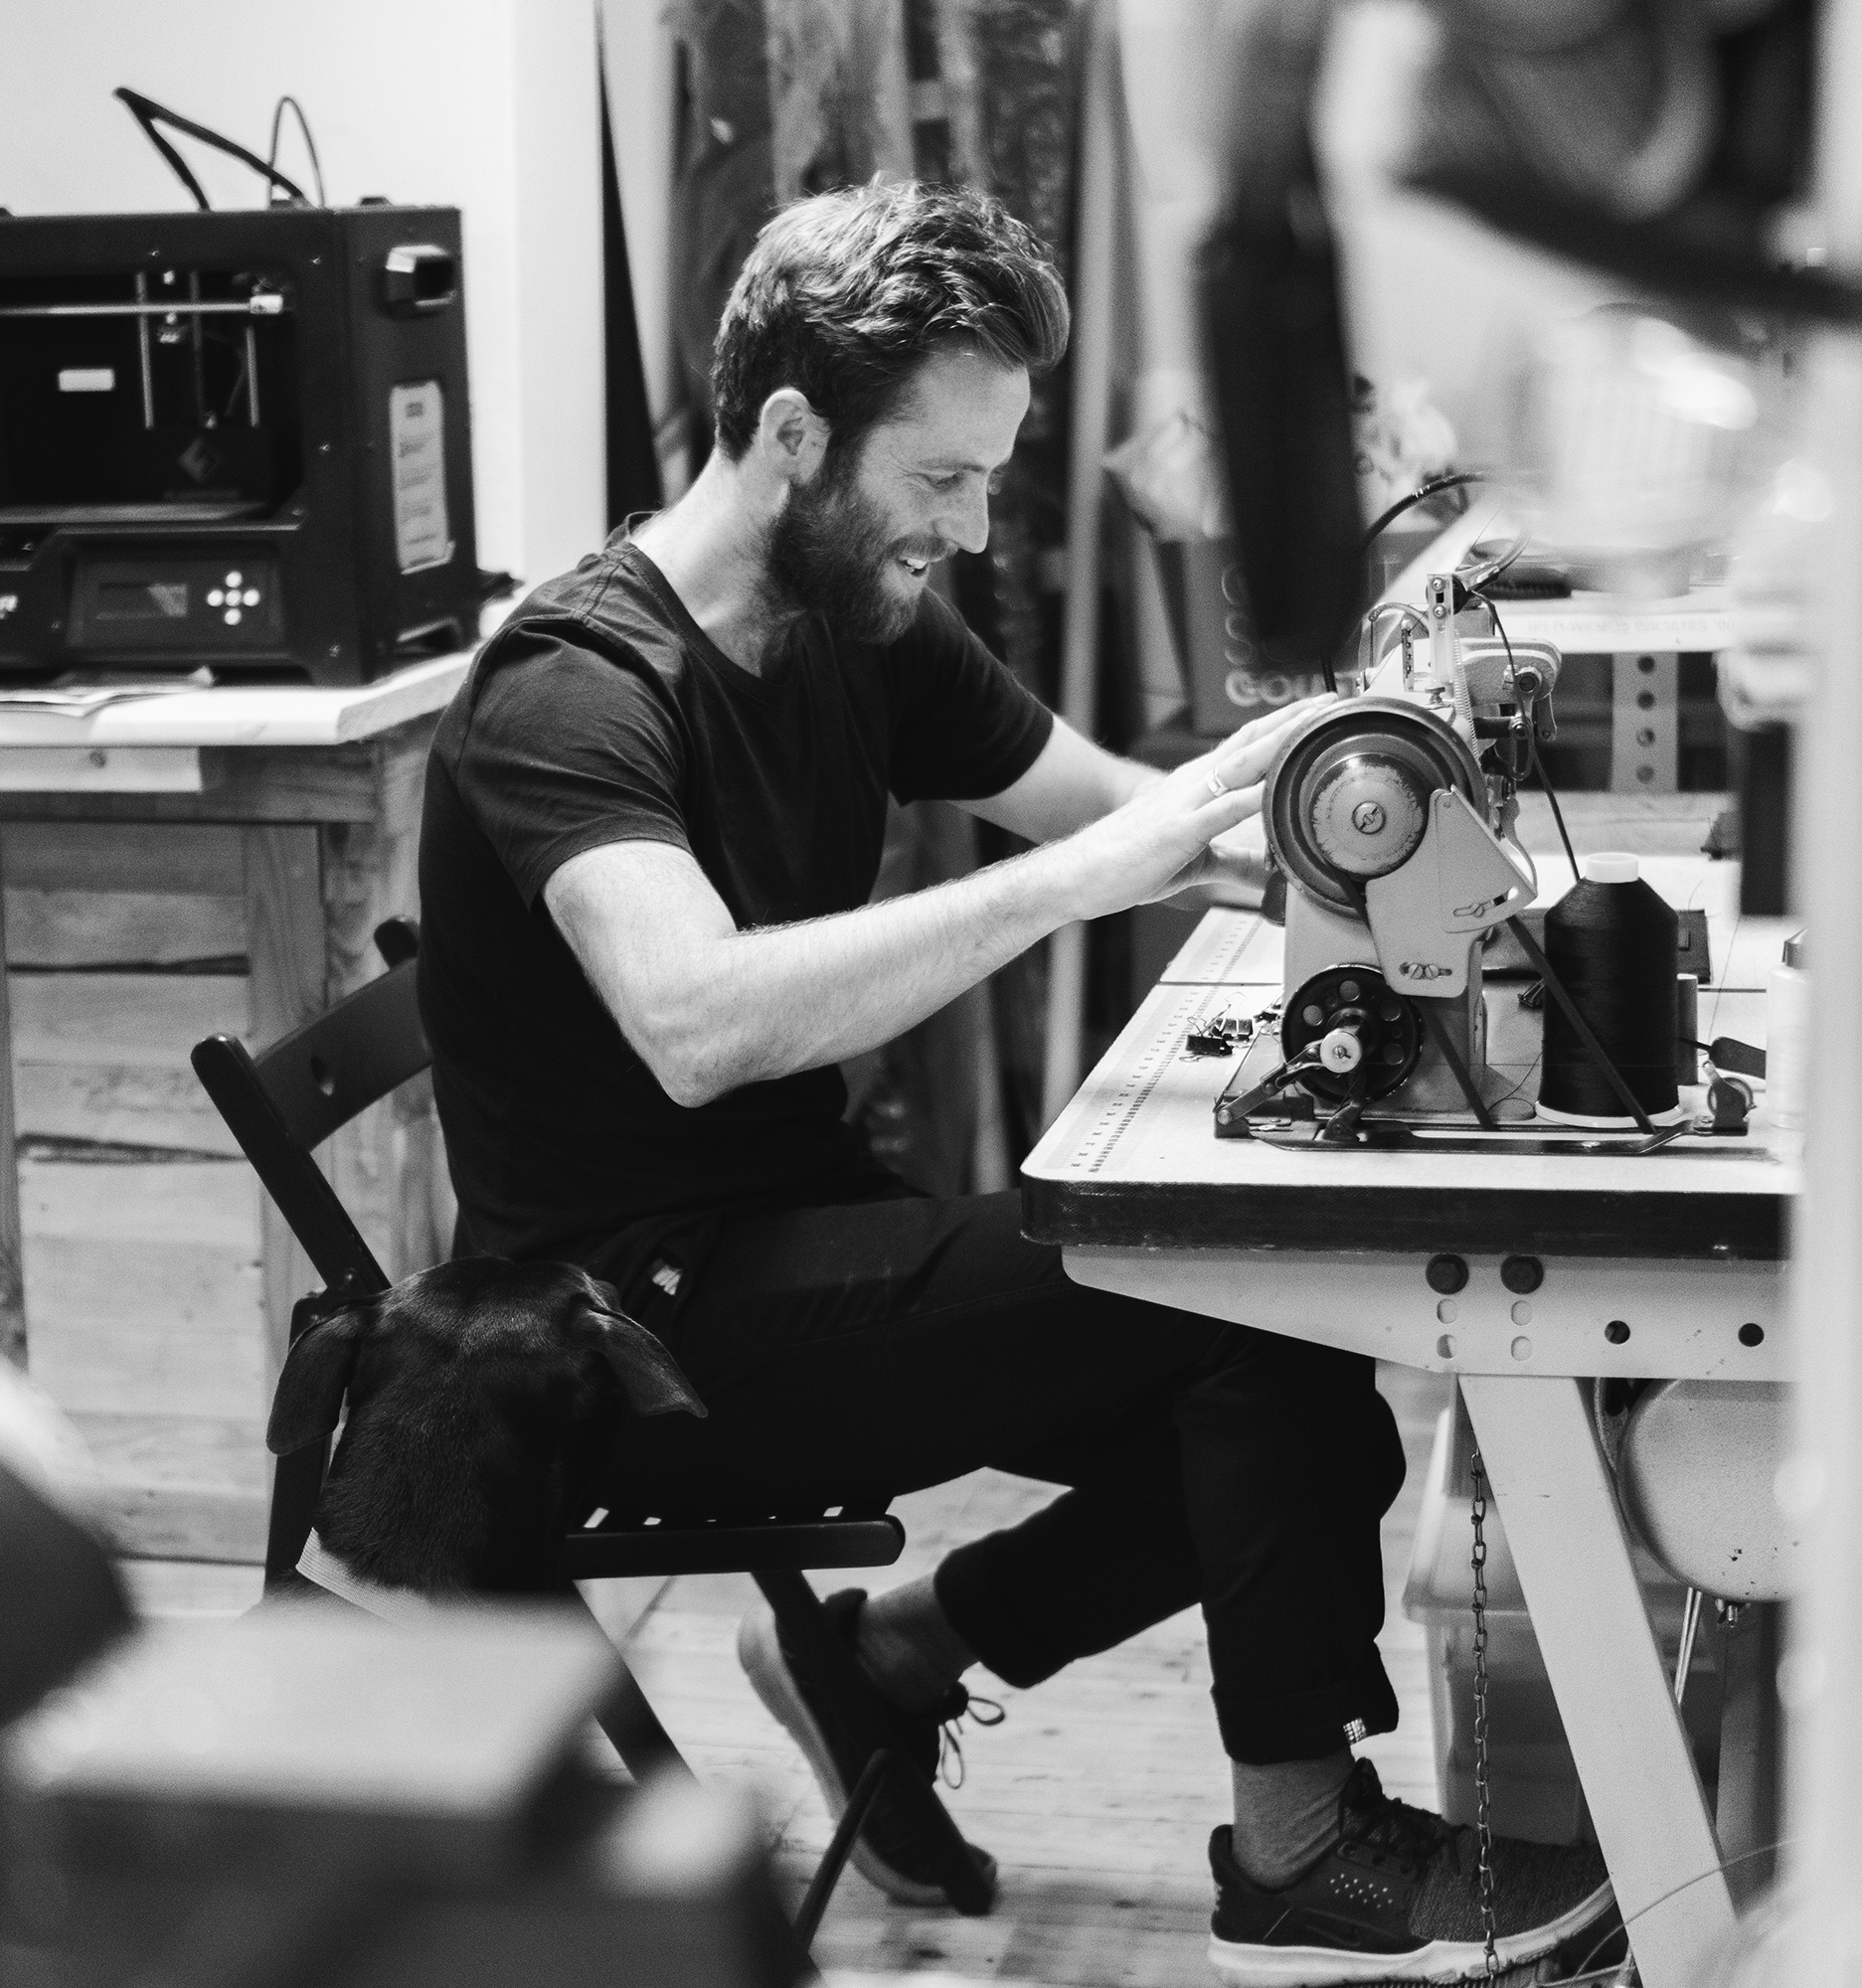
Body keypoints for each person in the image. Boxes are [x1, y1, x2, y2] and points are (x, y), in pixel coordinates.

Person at [417, 179, 1612, 1985]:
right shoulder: (575, 690)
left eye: (987, 480)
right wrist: (1084, 882)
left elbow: (1117, 812)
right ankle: (1294, 1855)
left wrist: (1335, 829)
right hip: (630, 1330)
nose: (969, 530)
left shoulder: (850, 613)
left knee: (1312, 1414)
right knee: (1251, 1317)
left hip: (800, 1229)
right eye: (943, 478)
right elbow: (697, 1021)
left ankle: (888, 1657)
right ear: (794, 435)